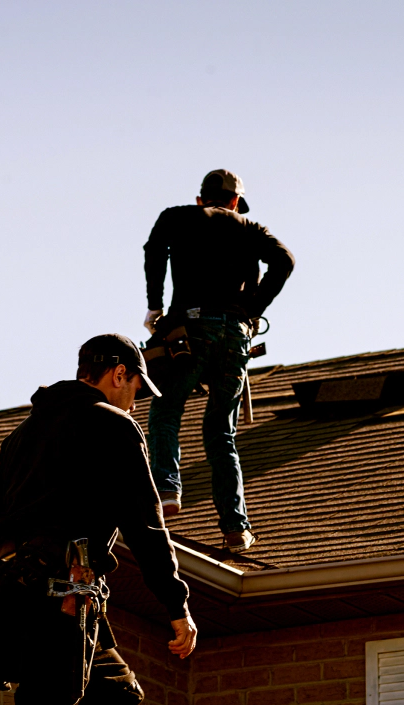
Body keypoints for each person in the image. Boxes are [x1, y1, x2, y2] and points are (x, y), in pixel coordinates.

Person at [0, 333, 197, 705]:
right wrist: (176, 606)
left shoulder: (20, 436)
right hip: (60, 597)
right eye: (136, 388)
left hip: (12, 596)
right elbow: (146, 527)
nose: (136, 402)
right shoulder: (113, 426)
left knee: (114, 694)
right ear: (120, 374)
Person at [143, 169, 295, 553]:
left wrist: (155, 304)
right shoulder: (251, 229)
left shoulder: (178, 216)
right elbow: (285, 261)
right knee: (221, 432)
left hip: (191, 329)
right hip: (235, 335)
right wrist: (252, 307)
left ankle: (166, 490)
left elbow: (154, 249)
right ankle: (236, 528)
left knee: (166, 408)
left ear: (201, 199)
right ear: (234, 202)